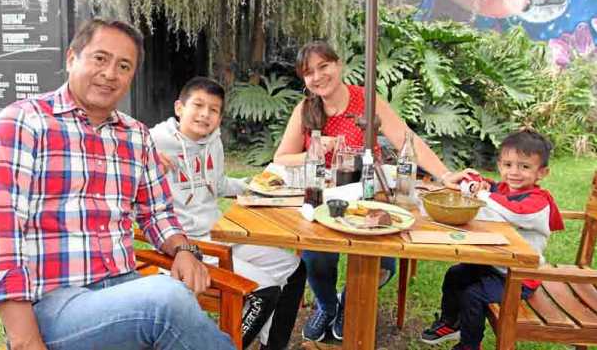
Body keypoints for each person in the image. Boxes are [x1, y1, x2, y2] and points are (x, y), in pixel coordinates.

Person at [0, 19, 235, 350]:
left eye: (123, 66)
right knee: (166, 300)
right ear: (71, 58)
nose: (110, 73)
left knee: (167, 300)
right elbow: (0, 240)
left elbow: (157, 212)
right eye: (100, 58)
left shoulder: (136, 135)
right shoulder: (22, 123)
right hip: (52, 305)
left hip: (122, 292)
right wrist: (25, 341)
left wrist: (183, 249)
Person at [273, 40, 466, 342]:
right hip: (325, 198)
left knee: (384, 262)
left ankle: (348, 303)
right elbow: (281, 158)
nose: (318, 76)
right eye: (309, 72)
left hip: (368, 194)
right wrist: (315, 150)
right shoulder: (305, 109)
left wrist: (444, 175)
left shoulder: (367, 101)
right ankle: (325, 306)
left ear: (339, 66)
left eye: (324, 66)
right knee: (317, 257)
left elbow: (407, 141)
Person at [149, 76, 306, 350]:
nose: (204, 114)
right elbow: (114, 139)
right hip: (184, 247)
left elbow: (219, 184)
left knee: (294, 270)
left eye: (213, 109)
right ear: (179, 108)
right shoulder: (154, 141)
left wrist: (254, 184)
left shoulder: (214, 142)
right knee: (265, 291)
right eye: (198, 105)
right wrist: (143, 155)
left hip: (219, 237)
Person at [420, 130, 564, 350]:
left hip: (520, 277)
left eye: (524, 167)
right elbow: (489, 187)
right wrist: (475, 182)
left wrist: (483, 194)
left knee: (473, 296)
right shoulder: (503, 189)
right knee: (455, 274)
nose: (514, 172)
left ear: (542, 172)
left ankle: (469, 345)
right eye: (508, 165)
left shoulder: (538, 203)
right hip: (494, 266)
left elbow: (515, 211)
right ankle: (451, 322)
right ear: (499, 165)